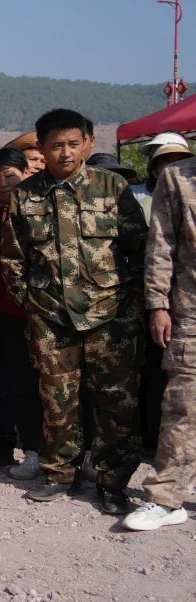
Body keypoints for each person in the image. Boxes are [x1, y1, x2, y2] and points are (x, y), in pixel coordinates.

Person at [0, 109, 147, 514]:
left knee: (115, 402)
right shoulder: (25, 196)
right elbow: (12, 260)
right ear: (41, 149)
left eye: (72, 143)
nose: (64, 152)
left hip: (111, 315)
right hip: (51, 317)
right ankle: (59, 474)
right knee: (57, 398)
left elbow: (140, 250)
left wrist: (128, 304)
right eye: (55, 145)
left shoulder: (112, 187)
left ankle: (112, 481)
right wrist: (31, 302)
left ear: (88, 143)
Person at [126, 146, 196, 531]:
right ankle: (168, 498)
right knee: (182, 407)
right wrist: (157, 304)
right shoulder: (178, 177)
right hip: (190, 309)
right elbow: (162, 246)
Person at [0, 148, 42, 479]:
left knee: (30, 382)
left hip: (32, 311)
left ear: (25, 174)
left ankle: (36, 447)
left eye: (10, 176)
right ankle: (3, 442)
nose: (3, 183)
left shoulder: (38, 211)